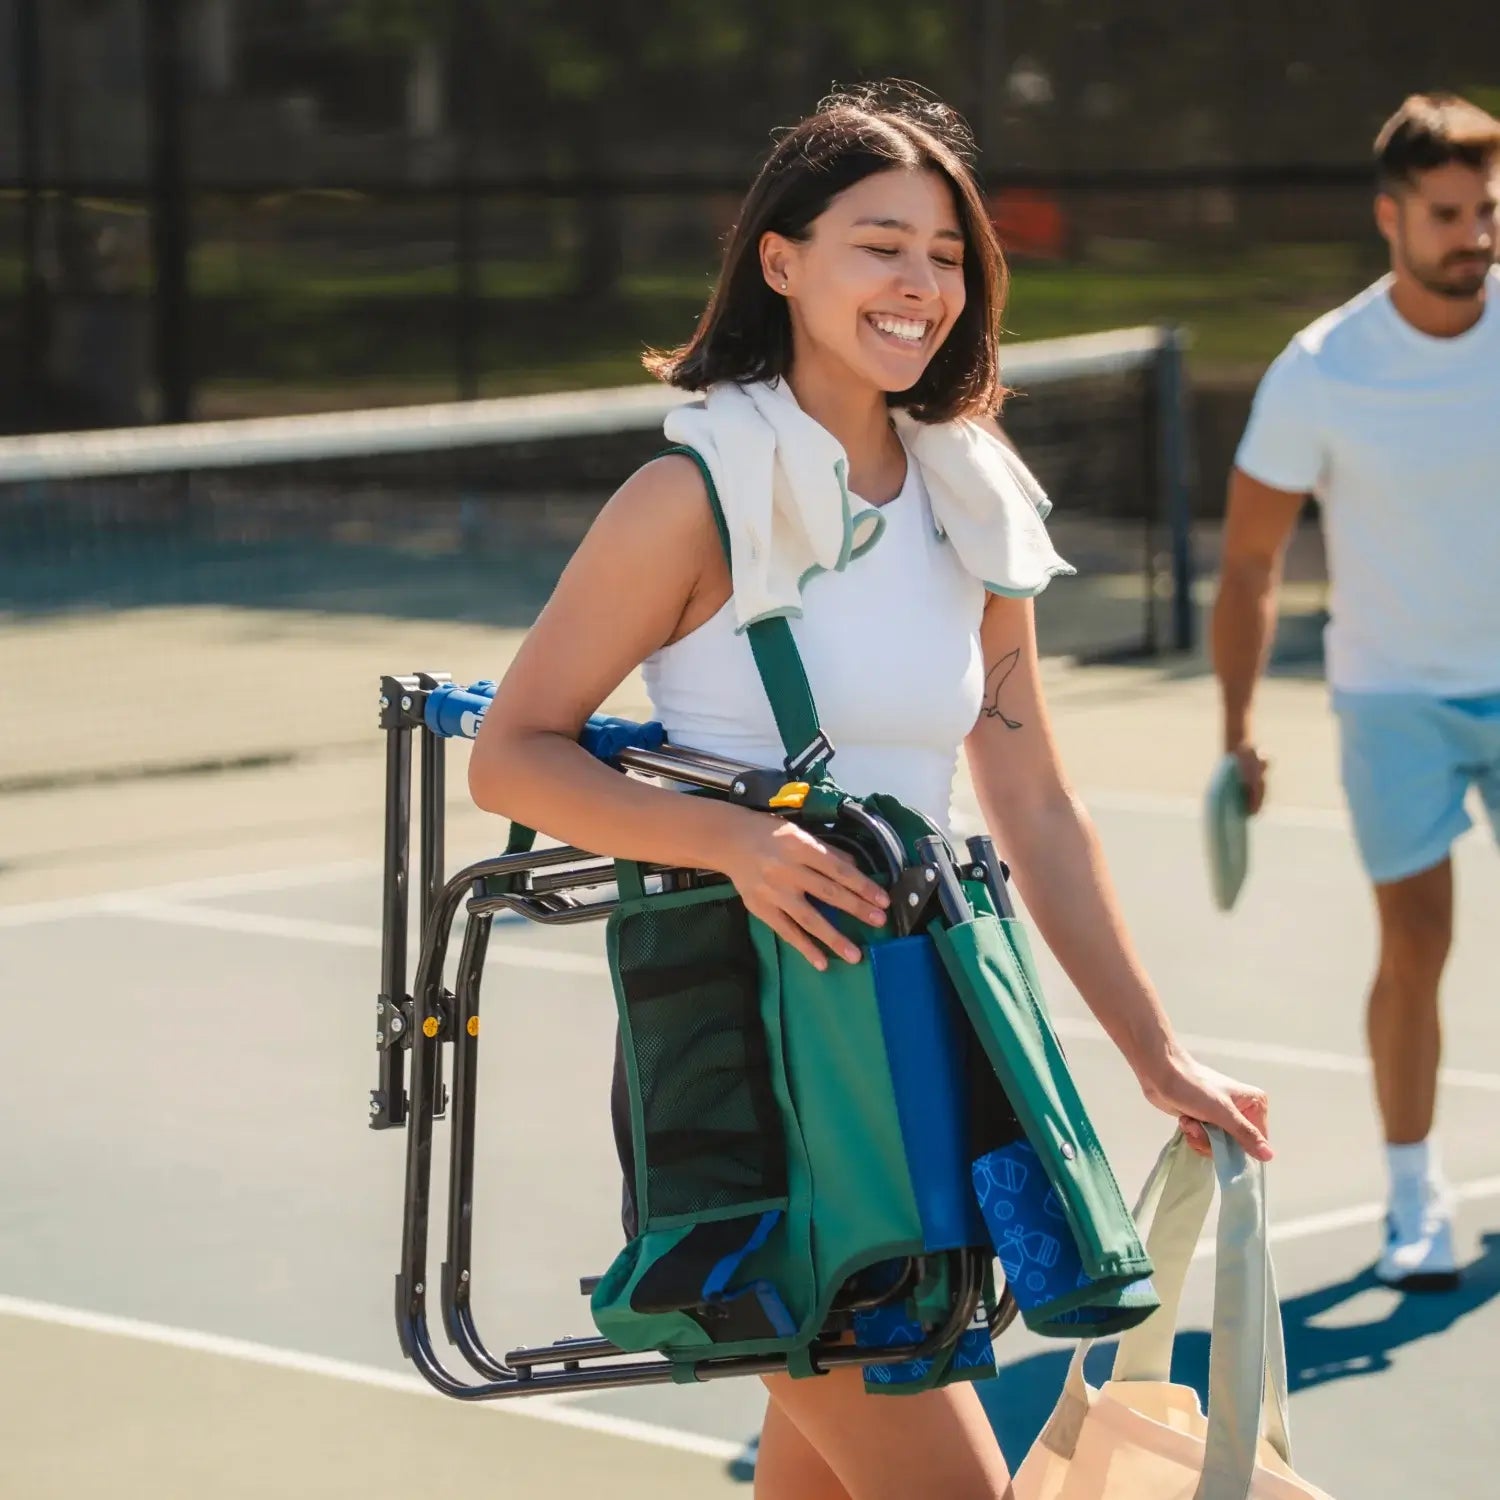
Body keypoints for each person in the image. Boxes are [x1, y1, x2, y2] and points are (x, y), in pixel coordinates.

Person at [471, 81, 1272, 1500]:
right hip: (773, 1066)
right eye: (878, 244)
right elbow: (514, 751)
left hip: (920, 1035)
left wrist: (1153, 1052)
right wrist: (737, 845)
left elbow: (1032, 809)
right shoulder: (693, 495)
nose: (921, 284)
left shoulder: (976, 496)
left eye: (947, 255)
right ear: (779, 261)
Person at [1213, 91, 1500, 1294]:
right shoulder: (1322, 370)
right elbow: (1249, 561)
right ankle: (1412, 1193)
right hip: (1393, 701)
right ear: (1391, 217)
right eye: (1449, 213)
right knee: (1415, 943)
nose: (1474, 234)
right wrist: (1236, 727)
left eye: (1489, 208)